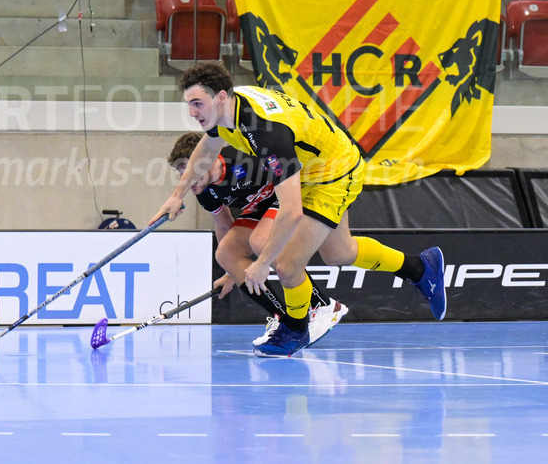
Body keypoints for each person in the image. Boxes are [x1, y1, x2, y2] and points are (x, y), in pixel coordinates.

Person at [157, 63, 447, 357]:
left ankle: (294, 330)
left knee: (286, 265)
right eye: (189, 105)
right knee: (340, 253)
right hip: (311, 168)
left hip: (335, 173)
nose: (192, 113)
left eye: (197, 104)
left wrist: (261, 263)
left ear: (220, 97)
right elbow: (207, 146)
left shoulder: (265, 132)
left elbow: (292, 211)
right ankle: (420, 268)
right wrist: (176, 195)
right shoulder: (230, 106)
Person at [167, 132, 348, 348]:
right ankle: (284, 321)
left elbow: (291, 169)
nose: (185, 179)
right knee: (225, 253)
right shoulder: (203, 190)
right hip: (258, 209)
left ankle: (323, 305)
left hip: (286, 197)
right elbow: (224, 224)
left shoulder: (242, 156)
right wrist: (231, 273)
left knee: (260, 241)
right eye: (180, 172)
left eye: (188, 169)